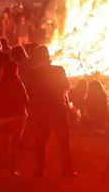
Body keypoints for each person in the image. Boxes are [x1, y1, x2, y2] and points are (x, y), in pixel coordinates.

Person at [29, 45, 74, 178]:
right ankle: (67, 170)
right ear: (48, 57)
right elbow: (66, 87)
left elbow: (31, 91)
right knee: (64, 141)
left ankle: (39, 171)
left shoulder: (34, 72)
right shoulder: (59, 70)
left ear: (37, 58)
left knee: (41, 142)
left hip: (42, 109)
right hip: (58, 108)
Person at [0, 60, 29, 175]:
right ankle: (12, 169)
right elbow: (25, 100)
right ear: (15, 70)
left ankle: (3, 166)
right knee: (14, 145)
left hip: (3, 118)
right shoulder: (18, 83)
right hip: (18, 116)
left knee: (4, 144)